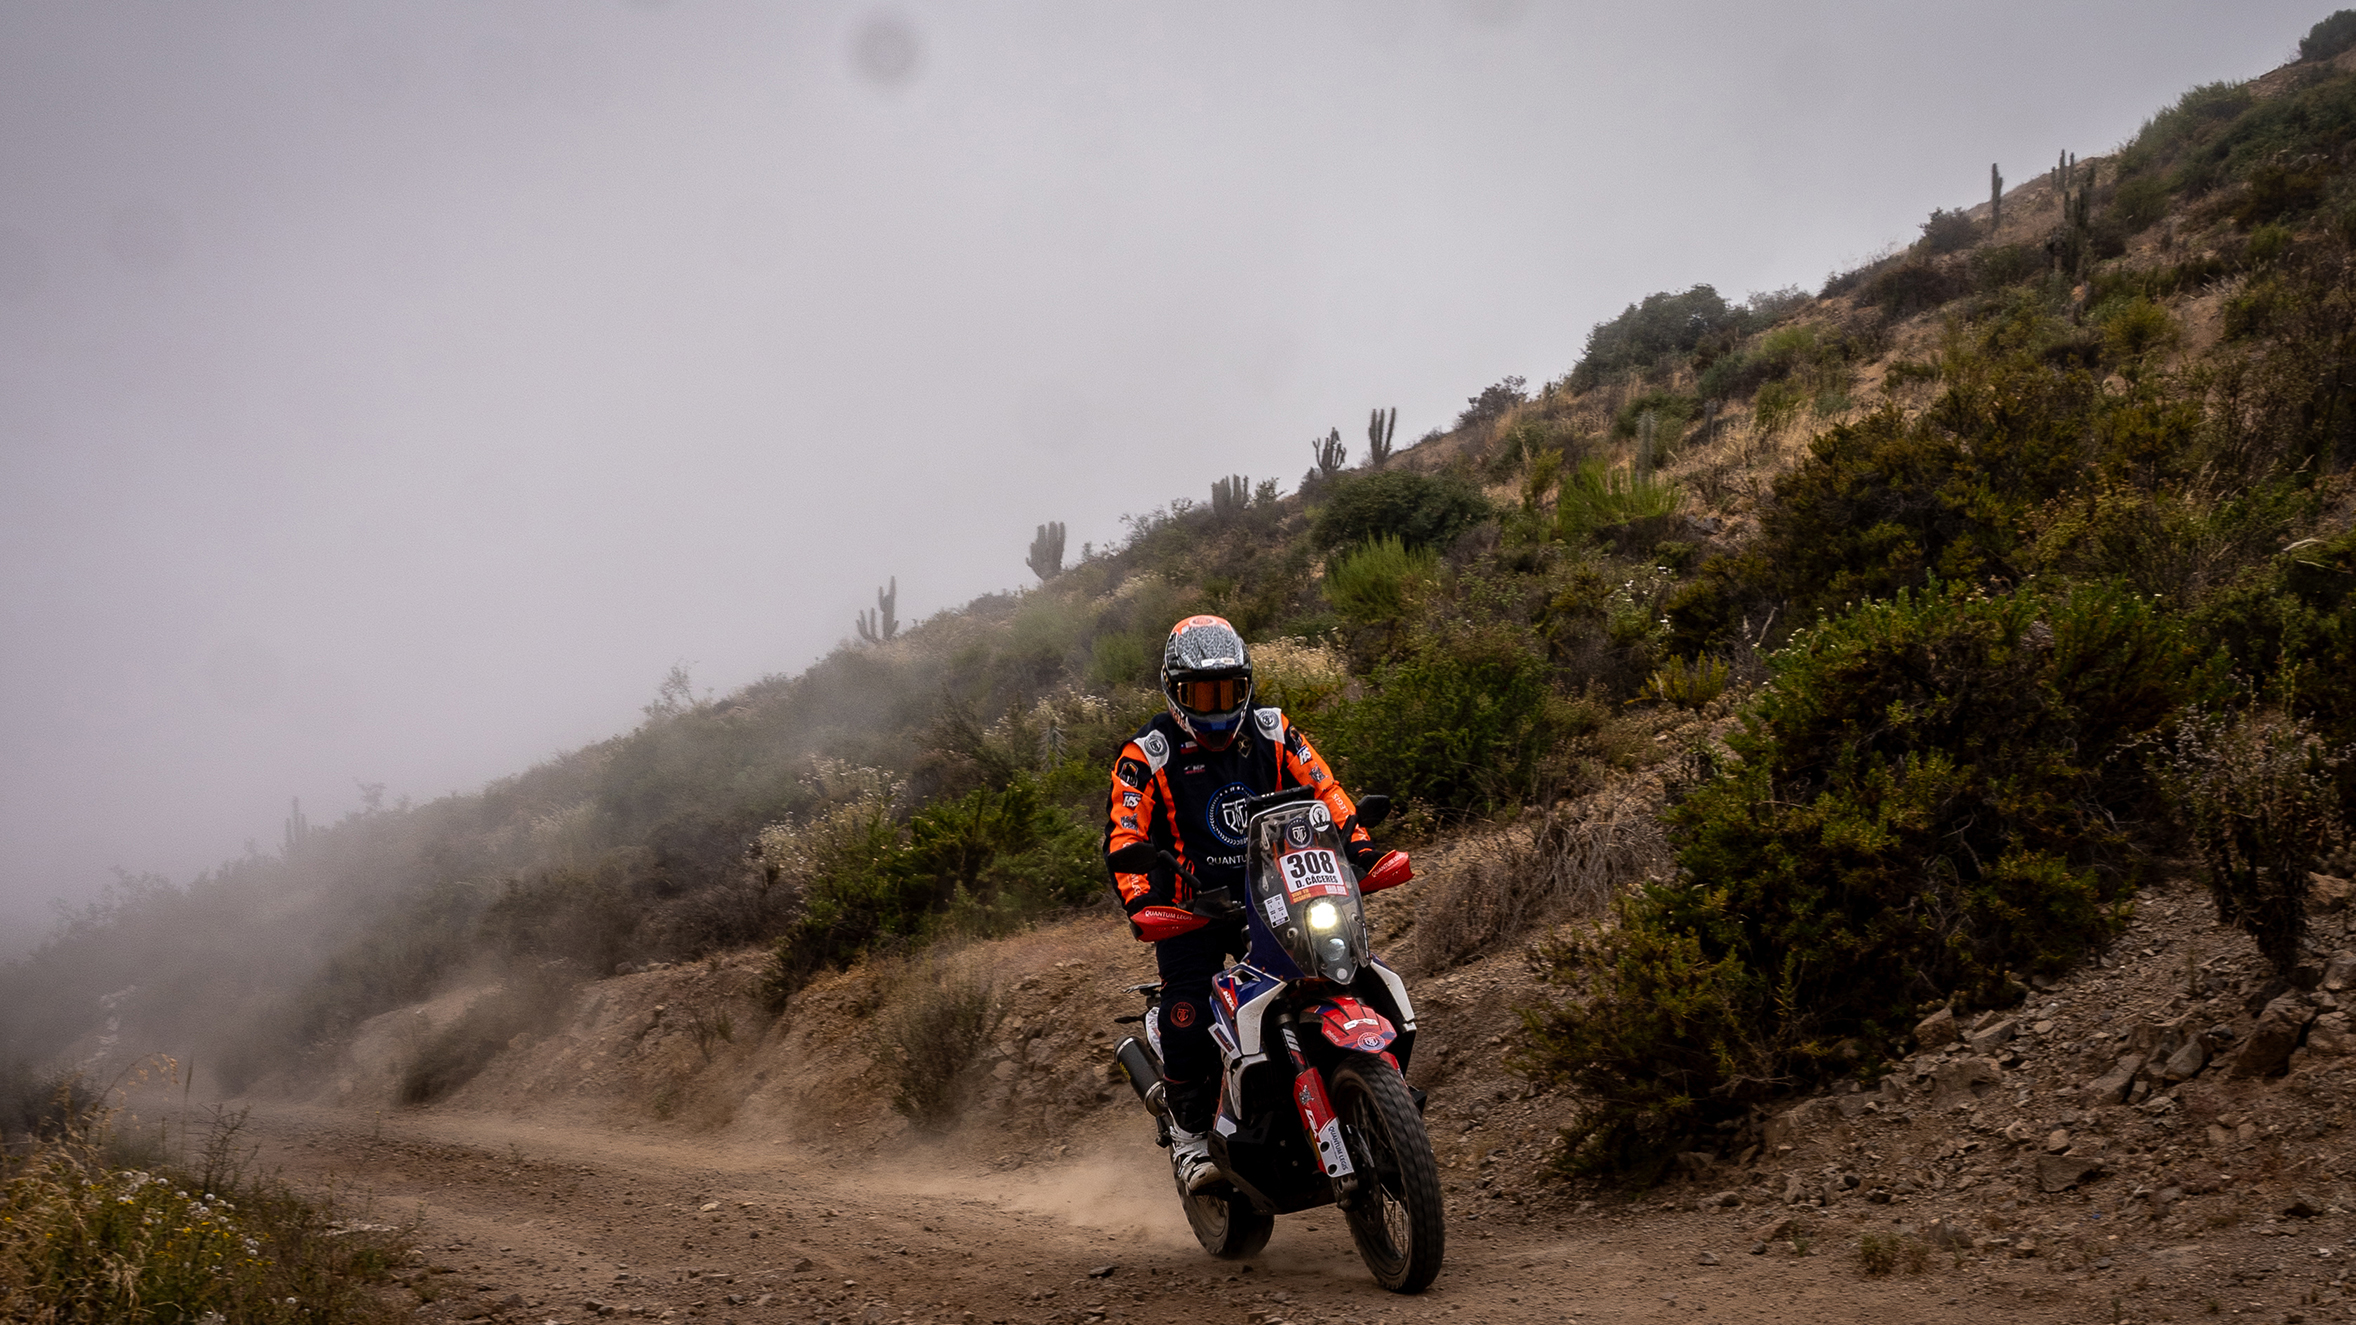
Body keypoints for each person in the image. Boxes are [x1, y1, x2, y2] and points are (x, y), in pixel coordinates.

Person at [1104, 615, 1379, 1193]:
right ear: (1174, 692)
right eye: (1201, 694)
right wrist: (1145, 900)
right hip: (1195, 909)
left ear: (1246, 685)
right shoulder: (1146, 754)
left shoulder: (1276, 733)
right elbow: (1125, 836)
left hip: (1278, 891)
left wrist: (1358, 847)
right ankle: (1188, 1136)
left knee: (1345, 972)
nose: (1215, 706)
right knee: (1190, 1010)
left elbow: (1327, 791)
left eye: (1227, 690)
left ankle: (1369, 1096)